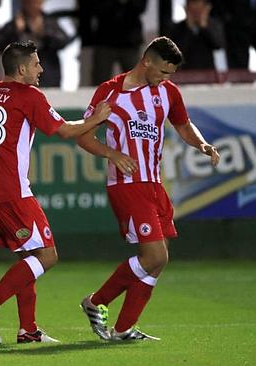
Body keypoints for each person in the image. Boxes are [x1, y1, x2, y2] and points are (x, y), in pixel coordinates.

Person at [0, 40, 111, 344]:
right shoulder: (29, 95)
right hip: (13, 192)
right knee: (47, 255)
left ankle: (28, 330)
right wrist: (96, 119)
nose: (41, 69)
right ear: (21, 69)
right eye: (36, 63)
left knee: (29, 257)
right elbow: (66, 131)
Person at [76, 36, 220, 341]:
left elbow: (183, 125)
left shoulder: (168, 92)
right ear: (147, 61)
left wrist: (202, 143)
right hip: (126, 184)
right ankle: (95, 302)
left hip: (154, 182)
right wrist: (112, 154)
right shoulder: (110, 91)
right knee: (155, 256)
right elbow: (83, 136)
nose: (166, 79)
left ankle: (124, 328)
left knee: (158, 260)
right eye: (163, 72)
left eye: (171, 75)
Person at [0, 0, 69, 88]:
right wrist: (15, 31)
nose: (33, 5)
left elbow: (63, 41)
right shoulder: (14, 24)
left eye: (36, 2)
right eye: (29, 2)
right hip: (21, 78)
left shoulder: (49, 22)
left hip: (48, 76)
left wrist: (44, 33)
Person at [168, 0, 225, 70]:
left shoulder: (213, 25)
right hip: (185, 73)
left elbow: (219, 45)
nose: (196, 14)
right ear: (187, 9)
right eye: (193, 11)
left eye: (199, 10)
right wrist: (189, 28)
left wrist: (204, 26)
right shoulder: (177, 28)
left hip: (208, 73)